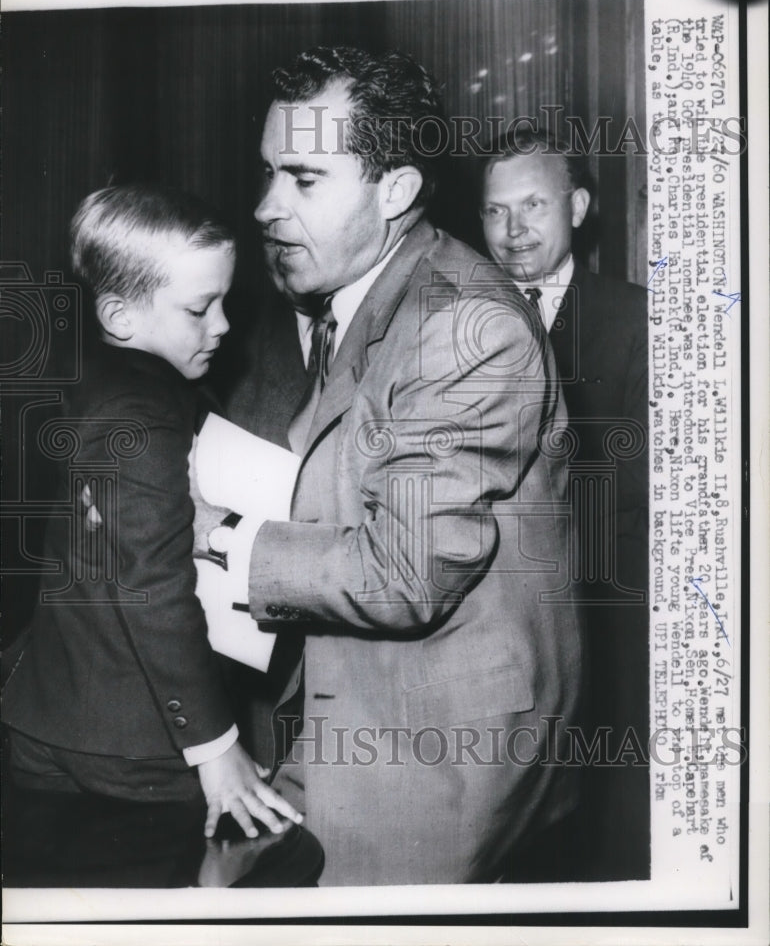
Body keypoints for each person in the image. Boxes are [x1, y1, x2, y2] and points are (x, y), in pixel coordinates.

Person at [195, 46, 584, 886]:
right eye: (267, 173)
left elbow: (403, 570)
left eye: (303, 179)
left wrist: (221, 542)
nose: (265, 206)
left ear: (397, 191)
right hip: (347, 710)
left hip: (438, 753)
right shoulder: (359, 296)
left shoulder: (466, 327)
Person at [2, 184, 302, 844]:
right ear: (120, 315)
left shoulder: (90, 372)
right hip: (131, 739)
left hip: (49, 707)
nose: (223, 325)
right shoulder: (145, 414)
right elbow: (153, 592)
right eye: (200, 308)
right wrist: (215, 744)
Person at [480, 126, 649, 879]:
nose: (513, 231)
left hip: (598, 627)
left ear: (577, 206)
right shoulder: (450, 320)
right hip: (482, 634)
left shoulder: (638, 321)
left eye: (533, 206)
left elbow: (646, 495)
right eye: (495, 212)